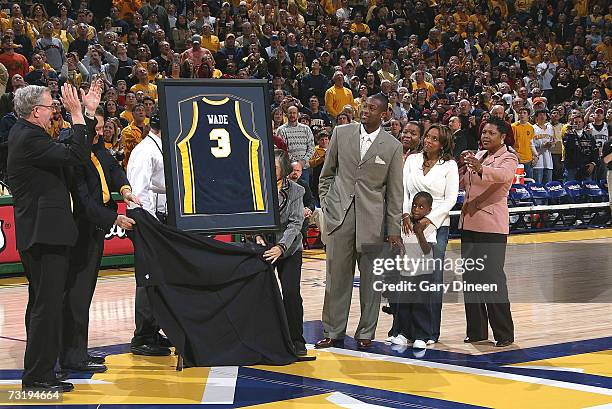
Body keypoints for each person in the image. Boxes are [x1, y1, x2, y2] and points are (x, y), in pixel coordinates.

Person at [7, 82, 99, 392]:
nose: (53, 111)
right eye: (50, 107)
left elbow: (70, 148)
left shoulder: (26, 134)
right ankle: (37, 377)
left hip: (41, 234)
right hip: (45, 236)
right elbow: (76, 154)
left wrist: (86, 111)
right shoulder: (30, 137)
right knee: (46, 307)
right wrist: (77, 113)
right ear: (35, 112)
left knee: (41, 305)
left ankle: (41, 371)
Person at [316, 93, 403, 350]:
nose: (366, 111)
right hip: (339, 217)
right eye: (365, 106)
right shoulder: (341, 133)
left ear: (384, 115)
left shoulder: (392, 146)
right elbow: (326, 175)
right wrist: (328, 203)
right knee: (336, 278)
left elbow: (394, 193)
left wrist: (393, 229)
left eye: (372, 108)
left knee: (370, 282)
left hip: (373, 222)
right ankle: (333, 331)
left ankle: (366, 332)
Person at [62, 92, 141, 374]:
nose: (99, 133)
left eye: (100, 129)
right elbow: (84, 203)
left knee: (85, 296)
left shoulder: (99, 150)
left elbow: (114, 171)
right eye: (94, 130)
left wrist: (126, 190)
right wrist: (115, 218)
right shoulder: (77, 156)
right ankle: (72, 356)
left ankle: (79, 351)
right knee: (77, 296)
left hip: (96, 230)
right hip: (80, 232)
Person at [459, 117, 517, 348]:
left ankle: (504, 333)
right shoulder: (479, 155)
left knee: (492, 280)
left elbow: (503, 177)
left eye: (491, 133)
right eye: (484, 132)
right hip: (469, 223)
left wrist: (480, 168)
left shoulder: (509, 157)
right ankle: (477, 331)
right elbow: (467, 183)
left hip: (492, 226)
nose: (485, 136)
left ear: (502, 136)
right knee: (471, 280)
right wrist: (463, 166)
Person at [398, 124, 458, 345]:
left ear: (442, 144)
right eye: (427, 137)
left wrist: (427, 221)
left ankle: (429, 331)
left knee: (432, 278)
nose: (428, 141)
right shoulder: (412, 160)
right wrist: (406, 215)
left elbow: (450, 199)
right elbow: (405, 190)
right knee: (409, 277)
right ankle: (406, 330)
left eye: (434, 138)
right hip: (409, 224)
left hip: (437, 225)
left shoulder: (449, 166)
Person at [126, 114, 171, 356]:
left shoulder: (157, 147)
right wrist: (151, 226)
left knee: (158, 277)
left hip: (158, 221)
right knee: (147, 278)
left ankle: (153, 329)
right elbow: (139, 192)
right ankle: (142, 335)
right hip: (146, 221)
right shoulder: (145, 151)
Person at [256, 149, 306, 356]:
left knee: (291, 293)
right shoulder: (258, 186)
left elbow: (295, 224)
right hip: (264, 246)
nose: (269, 169)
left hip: (289, 248)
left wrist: (281, 247)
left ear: (284, 169)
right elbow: (252, 216)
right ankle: (263, 337)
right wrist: (257, 235)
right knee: (259, 293)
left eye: (274, 167)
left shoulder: (296, 191)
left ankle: (296, 339)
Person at [388, 191, 438, 349]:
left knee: (420, 303)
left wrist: (420, 233)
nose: (416, 209)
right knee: (404, 303)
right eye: (415, 205)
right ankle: (403, 333)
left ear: (428, 210)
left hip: (423, 272)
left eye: (421, 206)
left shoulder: (429, 227)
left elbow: (427, 250)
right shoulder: (406, 224)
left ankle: (421, 335)